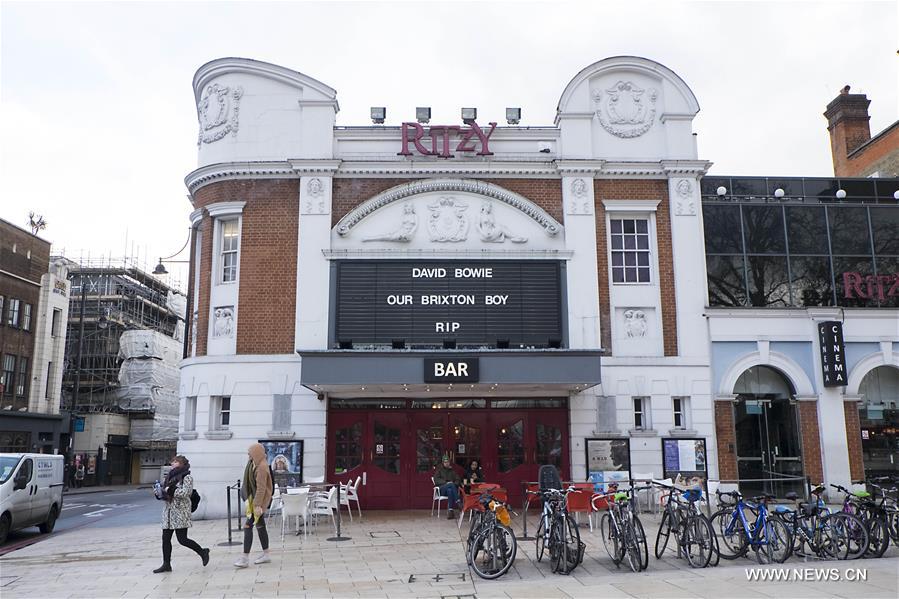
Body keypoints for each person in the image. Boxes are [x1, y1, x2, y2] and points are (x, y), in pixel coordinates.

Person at [153, 455, 209, 573]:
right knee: (165, 538)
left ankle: (202, 552)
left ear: (182, 464)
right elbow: (166, 491)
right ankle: (166, 564)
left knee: (182, 539)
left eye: (175, 462)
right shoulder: (169, 477)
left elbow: (186, 493)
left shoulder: (187, 477)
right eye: (172, 462)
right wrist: (159, 493)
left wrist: (170, 490)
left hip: (180, 512)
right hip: (168, 512)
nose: (172, 463)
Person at [234, 442, 274, 568]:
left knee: (247, 527)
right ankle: (266, 554)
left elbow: (262, 489)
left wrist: (258, 506)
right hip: (254, 501)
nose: (248, 454)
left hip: (258, 503)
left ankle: (244, 558)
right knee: (260, 526)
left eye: (250, 452)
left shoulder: (261, 467)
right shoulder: (253, 463)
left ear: (256, 453)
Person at [433, 455, 461, 519]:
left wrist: (454, 484)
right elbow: (436, 480)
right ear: (443, 463)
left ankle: (450, 512)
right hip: (441, 490)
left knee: (450, 490)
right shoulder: (439, 470)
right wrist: (446, 483)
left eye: (448, 462)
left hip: (449, 490)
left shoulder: (452, 471)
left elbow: (458, 479)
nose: (446, 463)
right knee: (450, 484)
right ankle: (458, 501)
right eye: (445, 462)